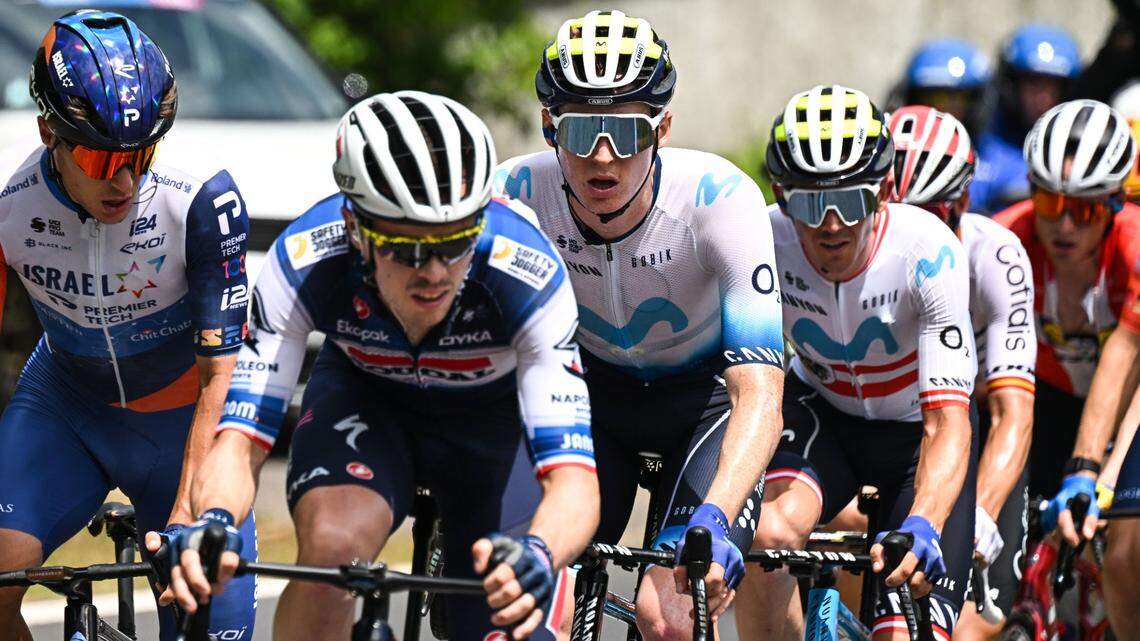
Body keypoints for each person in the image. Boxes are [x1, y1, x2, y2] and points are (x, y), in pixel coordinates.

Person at [157, 90, 599, 641]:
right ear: (355, 229)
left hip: (494, 421)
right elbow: (240, 441)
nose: (434, 271)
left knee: (508, 614)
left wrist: (540, 552)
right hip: (367, 402)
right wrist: (215, 520)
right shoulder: (305, 258)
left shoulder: (527, 269)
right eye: (407, 248)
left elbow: (574, 481)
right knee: (331, 557)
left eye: (456, 243)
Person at [495, 10, 785, 639]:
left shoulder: (719, 200)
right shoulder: (513, 193)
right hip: (588, 400)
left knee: (670, 618)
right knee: (536, 600)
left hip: (702, 409)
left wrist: (718, 513)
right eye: (580, 130)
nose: (602, 157)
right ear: (549, 127)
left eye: (627, 133)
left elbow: (760, 395)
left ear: (663, 129)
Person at [0, 11, 256, 640]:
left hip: (186, 415)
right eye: (98, 157)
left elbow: (221, 372)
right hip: (67, 408)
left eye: (140, 154)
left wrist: (187, 510)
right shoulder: (9, 203)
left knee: (200, 604)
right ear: (48, 133)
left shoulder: (200, 195)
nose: (124, 179)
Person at [735, 85, 978, 641]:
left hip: (916, 436)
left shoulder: (928, 250)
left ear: (884, 192)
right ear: (780, 195)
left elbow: (947, 420)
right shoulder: (759, 240)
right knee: (767, 536)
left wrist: (925, 520)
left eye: (850, 202)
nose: (831, 225)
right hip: (825, 415)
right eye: (810, 204)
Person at [991, 98, 1140, 639]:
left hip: (1131, 399)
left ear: (1115, 204)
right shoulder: (1005, 239)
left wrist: (1097, 472)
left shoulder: (1136, 245)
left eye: (1085, 210)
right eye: (1049, 202)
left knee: (1123, 558)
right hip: (1046, 396)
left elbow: (1127, 354)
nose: (1064, 225)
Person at [888, 105, 1037, 641]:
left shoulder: (994, 256)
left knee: (969, 629)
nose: (916, 237)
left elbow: (1011, 412)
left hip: (967, 434)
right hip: (892, 432)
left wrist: (983, 513)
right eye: (900, 216)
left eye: (931, 217)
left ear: (964, 203)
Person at [971, 24, 1082, 214]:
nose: (1043, 98)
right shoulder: (983, 144)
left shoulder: (1080, 146)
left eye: (1052, 86)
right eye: (1033, 84)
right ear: (1011, 85)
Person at [893, 39, 993, 138]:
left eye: (954, 97)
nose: (939, 108)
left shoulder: (992, 145)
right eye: (932, 97)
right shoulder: (892, 143)